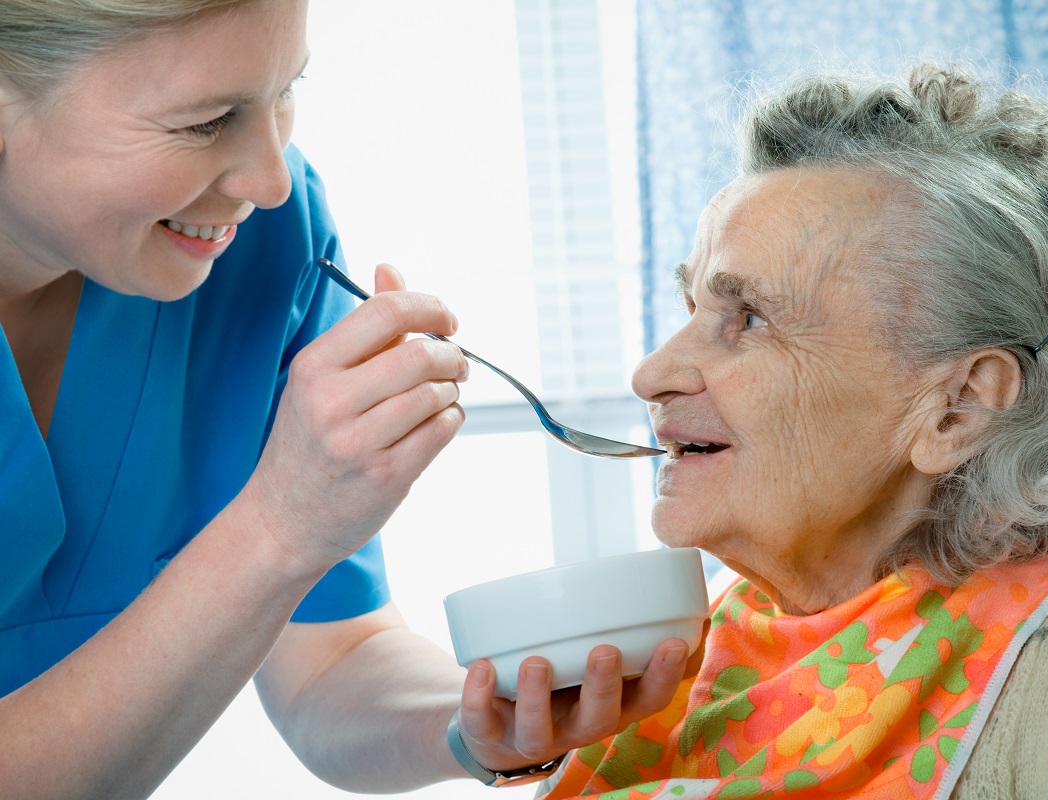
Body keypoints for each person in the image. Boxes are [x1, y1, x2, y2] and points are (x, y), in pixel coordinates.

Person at [0, 1, 692, 797]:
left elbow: (330, 658)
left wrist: (473, 722)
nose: (268, 178)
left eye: (285, 90)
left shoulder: (265, 241)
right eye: (205, 122)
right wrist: (278, 527)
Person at [537, 63, 1048, 799]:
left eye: (750, 318)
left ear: (958, 409)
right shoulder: (662, 658)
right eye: (690, 307)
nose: (652, 373)